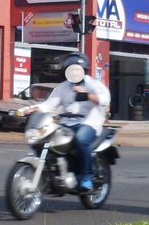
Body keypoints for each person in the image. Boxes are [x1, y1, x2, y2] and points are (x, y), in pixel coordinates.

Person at [25, 52, 111, 193]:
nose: (74, 72)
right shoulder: (63, 87)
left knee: (81, 140)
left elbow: (105, 100)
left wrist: (86, 95)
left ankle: (86, 178)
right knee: (48, 139)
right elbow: (50, 104)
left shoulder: (93, 85)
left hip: (89, 122)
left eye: (77, 69)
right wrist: (33, 109)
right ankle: (54, 174)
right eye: (71, 69)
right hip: (66, 123)